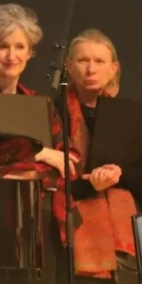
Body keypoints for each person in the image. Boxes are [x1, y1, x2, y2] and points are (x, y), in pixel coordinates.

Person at [52, 29, 139, 283]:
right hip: (68, 228)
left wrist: (118, 175)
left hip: (125, 228)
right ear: (69, 66)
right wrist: (91, 185)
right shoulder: (53, 111)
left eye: (99, 61)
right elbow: (49, 179)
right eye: (83, 60)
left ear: (114, 69)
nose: (91, 69)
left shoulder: (131, 116)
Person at [0, 4, 76, 178]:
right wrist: (41, 153)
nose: (11, 56)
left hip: (40, 193)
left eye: (20, 47)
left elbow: (70, 160)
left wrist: (31, 175)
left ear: (29, 53)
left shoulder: (40, 102)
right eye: (3, 47)